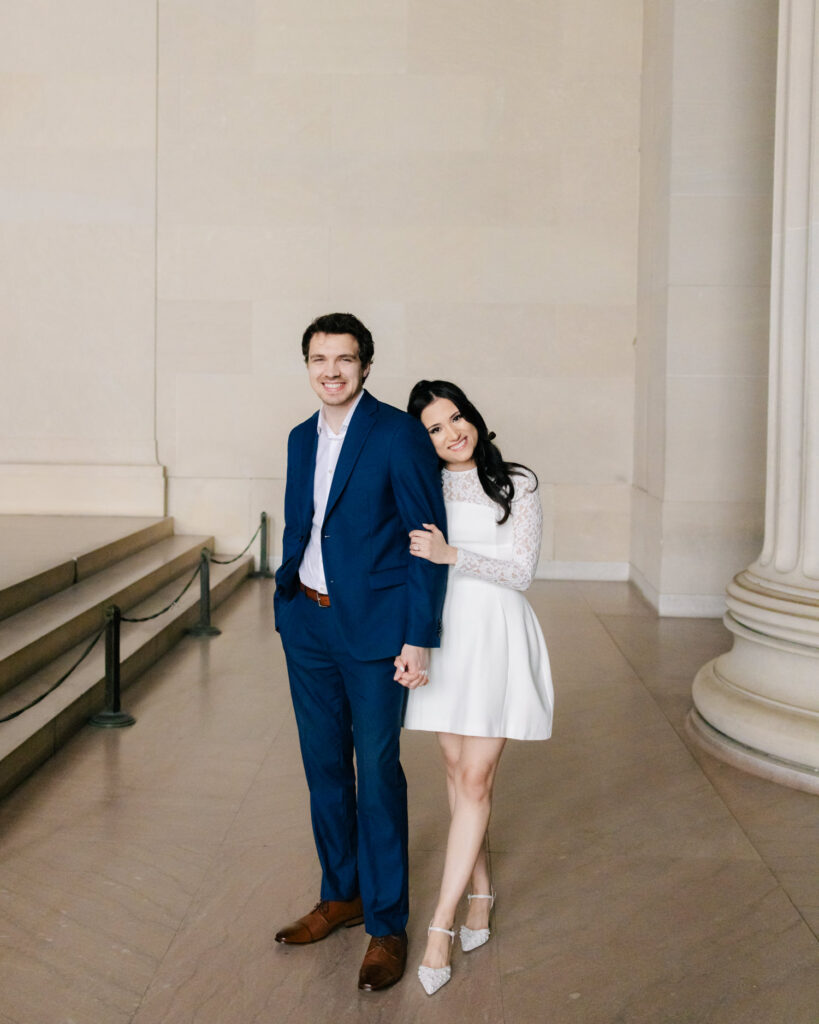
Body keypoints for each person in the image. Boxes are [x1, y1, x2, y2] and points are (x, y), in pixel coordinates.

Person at [273, 314, 448, 992]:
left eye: (345, 359)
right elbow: (301, 525)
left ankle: (385, 925)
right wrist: (286, 601)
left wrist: (417, 635)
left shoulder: (398, 435)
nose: (331, 370)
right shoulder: (297, 438)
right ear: (308, 365)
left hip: (376, 631)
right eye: (319, 358)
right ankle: (339, 894)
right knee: (323, 768)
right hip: (309, 625)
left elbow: (424, 535)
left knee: (376, 774)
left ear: (366, 366)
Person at [402, 379, 554, 996]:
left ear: (474, 417)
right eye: (435, 428)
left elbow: (521, 571)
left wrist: (453, 554)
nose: (451, 433)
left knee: (475, 778)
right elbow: (410, 565)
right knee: (454, 765)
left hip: (496, 635)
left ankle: (440, 924)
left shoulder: (518, 482)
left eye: (456, 418)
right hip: (446, 636)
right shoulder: (427, 487)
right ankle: (481, 888)